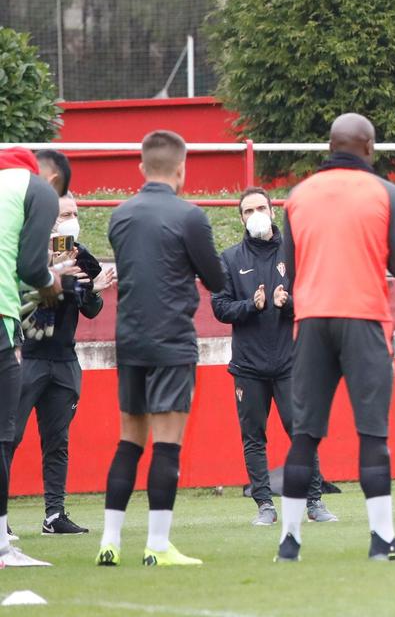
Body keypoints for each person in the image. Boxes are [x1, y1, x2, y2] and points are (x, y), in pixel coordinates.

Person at [275, 114, 395, 563]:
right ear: (368, 147)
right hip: (363, 318)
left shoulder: (297, 197)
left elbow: (292, 268)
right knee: (372, 434)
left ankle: (289, 543)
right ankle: (382, 541)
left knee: (304, 435)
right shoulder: (388, 194)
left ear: (330, 145)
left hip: (312, 320)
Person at [100, 130, 226, 566]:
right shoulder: (190, 216)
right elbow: (217, 280)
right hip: (172, 341)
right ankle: (157, 545)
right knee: (166, 444)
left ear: (141, 168)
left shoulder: (119, 215)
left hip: (129, 340)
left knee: (127, 441)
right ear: (181, 169)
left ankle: (109, 542)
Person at [213, 188, 332, 527]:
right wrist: (253, 305)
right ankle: (264, 505)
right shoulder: (230, 258)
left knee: (302, 432)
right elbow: (220, 308)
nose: (256, 215)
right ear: (241, 218)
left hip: (291, 363)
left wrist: (288, 303)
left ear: (272, 210)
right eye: (248, 210)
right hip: (248, 366)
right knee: (253, 436)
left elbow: (315, 299)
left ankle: (314, 502)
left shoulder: (295, 254)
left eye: (261, 207)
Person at [15, 193, 107, 536]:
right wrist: (52, 267)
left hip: (64, 359)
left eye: (75, 213)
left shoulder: (81, 258)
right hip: (26, 357)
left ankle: (54, 515)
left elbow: (90, 308)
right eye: (65, 214)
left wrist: (91, 288)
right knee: (8, 437)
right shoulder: (24, 253)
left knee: (58, 441)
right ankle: (2, 522)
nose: (71, 220)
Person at [0, 151, 60, 566]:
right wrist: (52, 281)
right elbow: (31, 265)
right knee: (2, 436)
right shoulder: (37, 188)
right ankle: (1, 546)